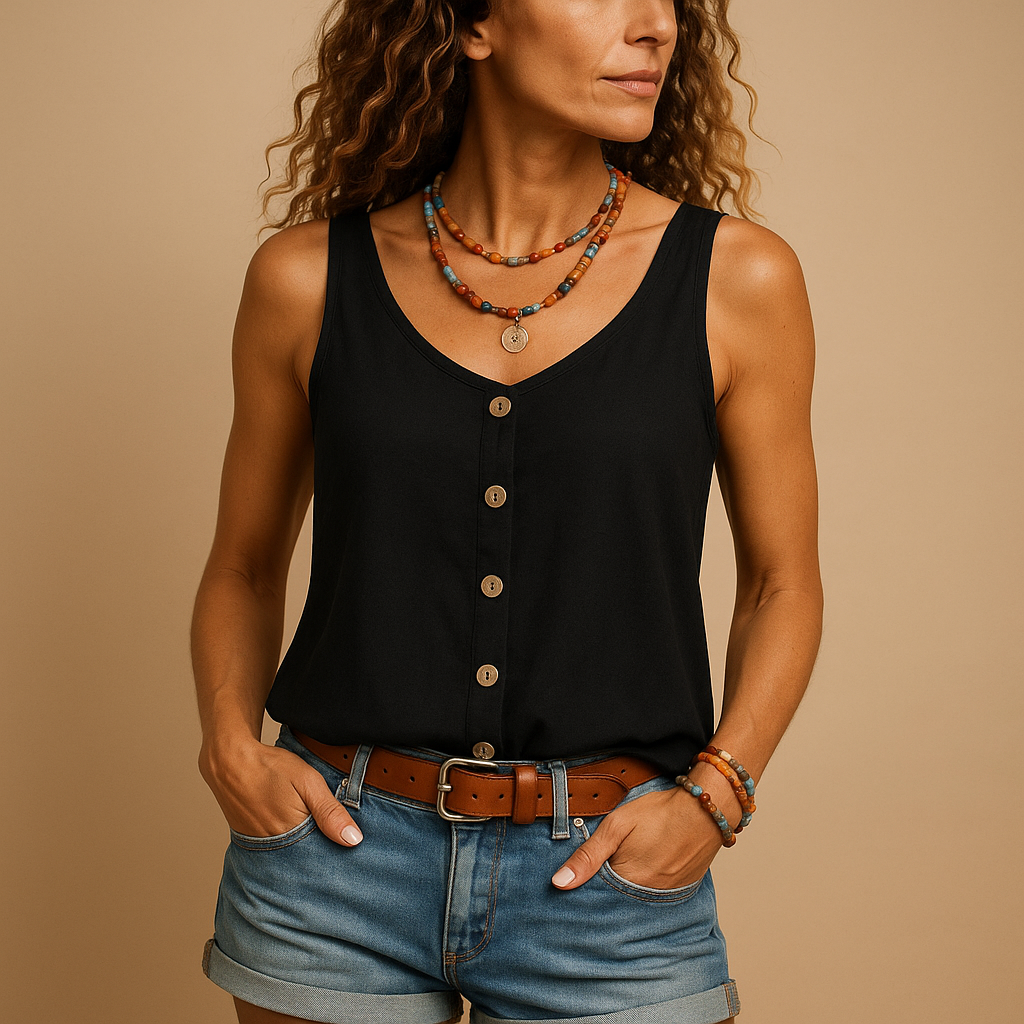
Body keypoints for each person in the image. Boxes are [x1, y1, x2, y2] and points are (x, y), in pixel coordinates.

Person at [191, 1, 823, 1022]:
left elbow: (781, 584)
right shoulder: (305, 278)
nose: (654, 26)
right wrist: (228, 743)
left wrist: (717, 796)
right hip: (332, 871)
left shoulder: (737, 278)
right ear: (473, 24)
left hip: (608, 882)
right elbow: (245, 565)